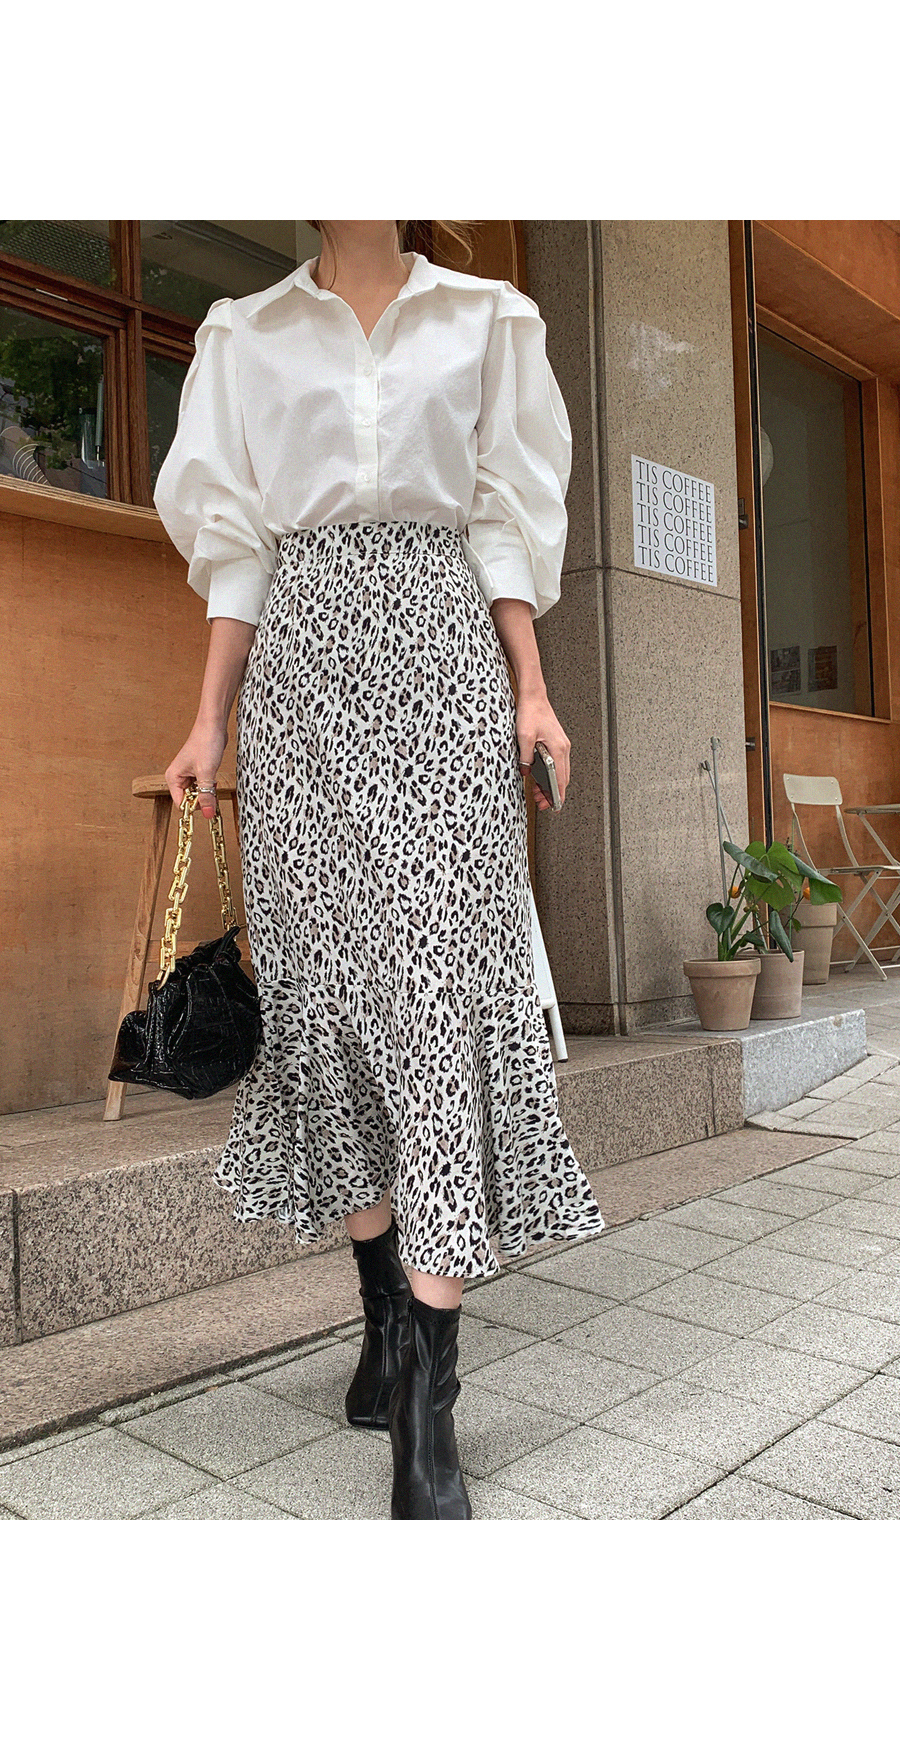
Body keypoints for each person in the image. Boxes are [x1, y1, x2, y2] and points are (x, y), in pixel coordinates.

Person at [153, 219, 605, 1521]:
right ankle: (385, 1327)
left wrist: (532, 690)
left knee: (435, 1000)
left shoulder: (488, 317)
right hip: (301, 680)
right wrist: (207, 724)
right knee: (327, 1007)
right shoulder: (245, 333)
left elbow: (503, 517)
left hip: (442, 658)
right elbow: (237, 547)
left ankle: (428, 1404)